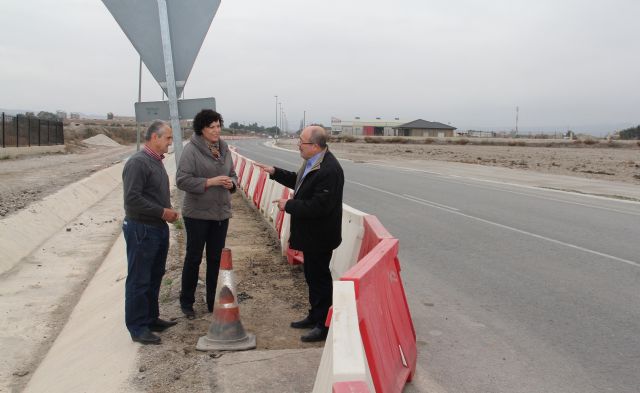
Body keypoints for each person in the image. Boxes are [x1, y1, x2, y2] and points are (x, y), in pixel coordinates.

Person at [256, 125, 344, 342]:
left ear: (315, 146)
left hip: (321, 236)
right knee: (312, 277)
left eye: (301, 142)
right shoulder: (313, 162)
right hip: (311, 235)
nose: (298, 146)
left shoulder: (329, 170)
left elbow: (318, 206)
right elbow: (300, 182)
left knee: (320, 279)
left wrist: (290, 205)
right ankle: (315, 316)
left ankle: (324, 325)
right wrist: (276, 173)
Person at [176, 109, 237, 319]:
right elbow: (182, 180)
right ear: (201, 129)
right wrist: (209, 182)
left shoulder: (224, 148)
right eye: (211, 127)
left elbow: (233, 175)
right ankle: (187, 303)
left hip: (221, 214)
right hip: (197, 215)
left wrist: (232, 184)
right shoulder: (191, 150)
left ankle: (213, 303)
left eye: (218, 125)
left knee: (215, 260)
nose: (216, 130)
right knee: (193, 258)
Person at [122, 120, 179, 345]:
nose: (170, 143)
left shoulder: (155, 161)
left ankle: (151, 318)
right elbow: (132, 200)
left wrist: (165, 213)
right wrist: (162, 211)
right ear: (154, 137)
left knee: (154, 276)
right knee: (139, 279)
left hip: (156, 228)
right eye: (167, 138)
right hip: (142, 229)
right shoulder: (138, 163)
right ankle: (137, 327)